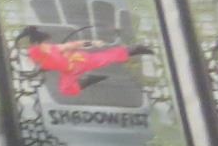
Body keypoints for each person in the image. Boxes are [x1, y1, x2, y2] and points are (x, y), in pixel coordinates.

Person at [13, 26, 155, 98]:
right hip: (70, 70)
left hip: (77, 62)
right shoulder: (37, 55)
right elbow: (41, 67)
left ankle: (135, 49)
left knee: (107, 57)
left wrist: (92, 43)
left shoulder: (50, 49)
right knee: (66, 89)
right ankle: (87, 80)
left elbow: (73, 45)